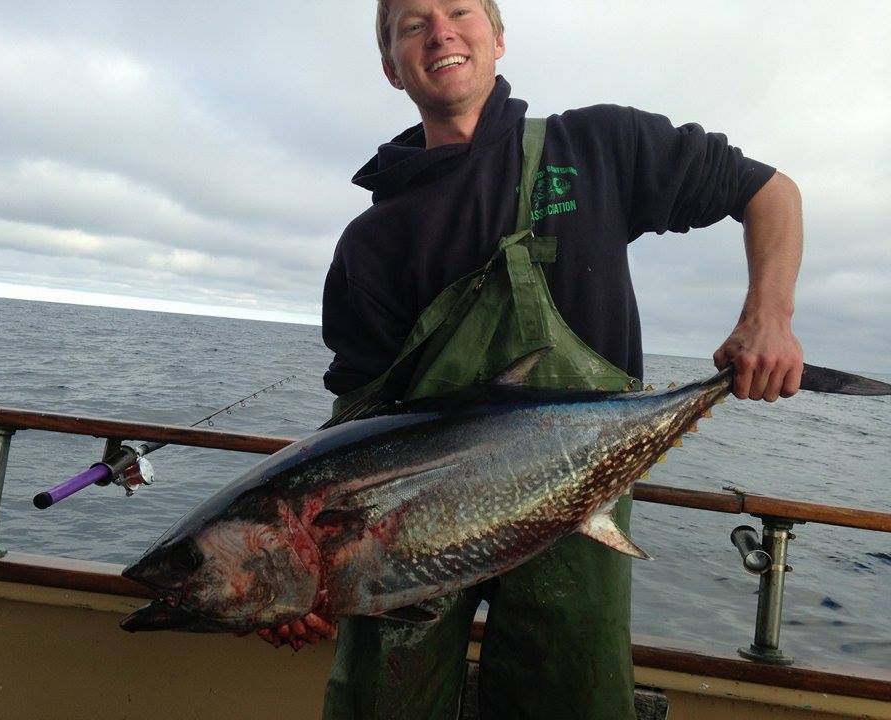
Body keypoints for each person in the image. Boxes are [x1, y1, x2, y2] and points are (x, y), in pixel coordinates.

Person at [268, 1, 804, 718]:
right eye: (411, 24)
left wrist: (768, 317)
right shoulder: (372, 242)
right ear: (392, 69)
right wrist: (299, 577)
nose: (441, 32)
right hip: (409, 533)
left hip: (575, 497)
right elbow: (354, 427)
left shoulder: (595, 146)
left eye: (460, 10)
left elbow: (769, 191)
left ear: (497, 36)